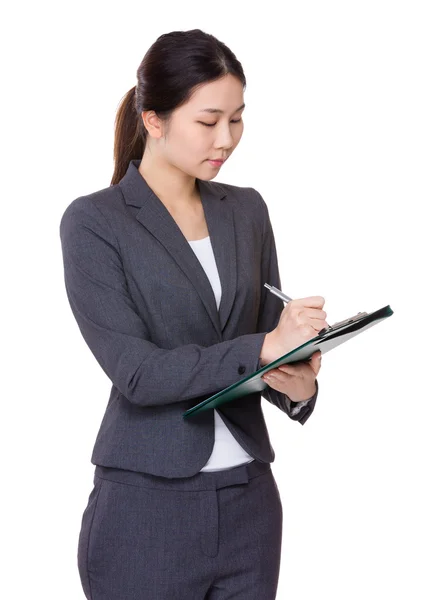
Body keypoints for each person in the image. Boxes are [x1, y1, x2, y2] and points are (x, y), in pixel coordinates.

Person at [59, 28, 327, 600]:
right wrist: (262, 349)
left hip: (251, 504)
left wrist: (297, 382)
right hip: (146, 508)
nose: (226, 139)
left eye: (237, 119)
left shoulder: (247, 210)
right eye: (208, 122)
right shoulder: (95, 223)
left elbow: (262, 338)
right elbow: (138, 374)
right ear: (153, 119)